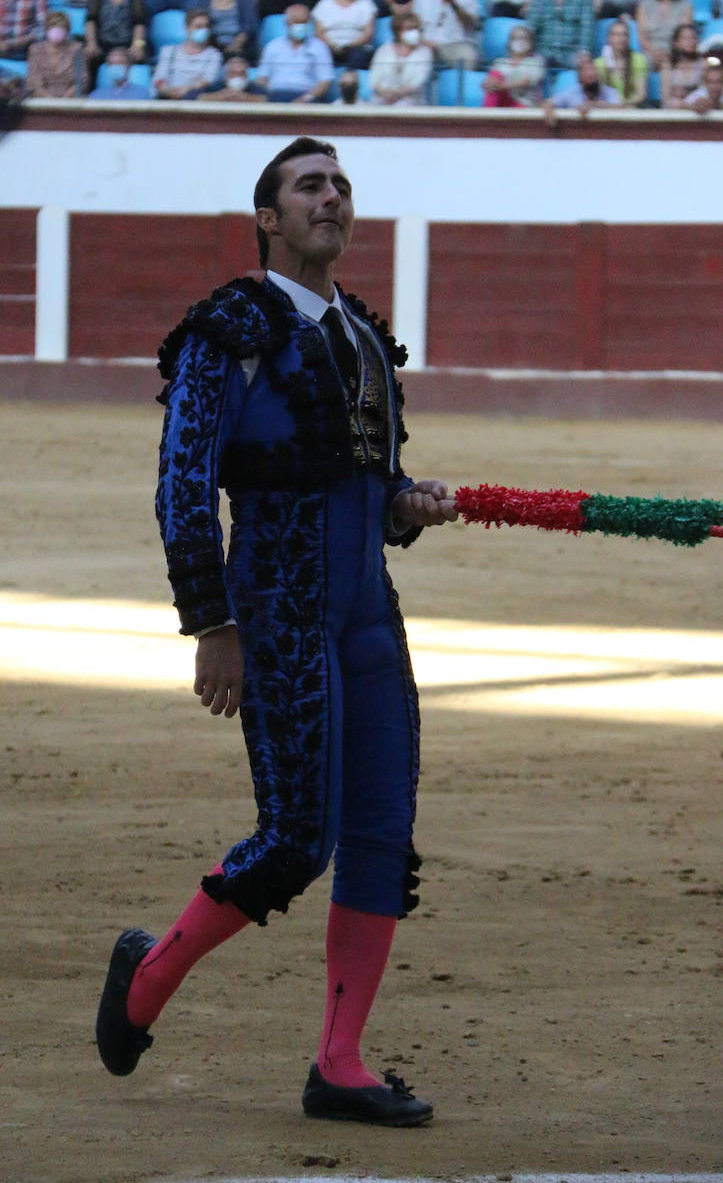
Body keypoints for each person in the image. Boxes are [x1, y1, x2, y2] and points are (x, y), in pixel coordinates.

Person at [96, 136, 455, 1128]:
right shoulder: (230, 331)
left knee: (381, 832)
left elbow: (371, 492)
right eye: (310, 186)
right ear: (268, 218)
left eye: (340, 185)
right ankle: (146, 979)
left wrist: (404, 505)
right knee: (299, 837)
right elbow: (182, 487)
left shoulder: (367, 342)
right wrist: (210, 622)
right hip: (279, 609)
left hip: (368, 615)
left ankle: (339, 1063)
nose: (331, 198)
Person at [85, 0, 148, 74]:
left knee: (139, 56)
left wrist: (138, 45)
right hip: (103, 44)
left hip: (128, 43)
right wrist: (92, 43)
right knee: (87, 57)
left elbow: (140, 21)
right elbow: (90, 19)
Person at [255, 2, 335, 99]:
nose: (300, 26)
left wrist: (306, 98)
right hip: (276, 94)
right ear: (287, 23)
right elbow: (262, 77)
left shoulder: (319, 47)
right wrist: (268, 95)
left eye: (303, 22)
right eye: (296, 22)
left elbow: (325, 80)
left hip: (306, 95)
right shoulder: (272, 46)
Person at [413, 0, 481, 68]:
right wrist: (424, 43)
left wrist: (453, 3)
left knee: (469, 55)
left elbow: (470, 24)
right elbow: (413, 28)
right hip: (428, 45)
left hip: (455, 45)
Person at [313, 0, 378, 68]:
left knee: (358, 55)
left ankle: (350, 79)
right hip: (330, 47)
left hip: (357, 47)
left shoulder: (367, 4)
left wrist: (349, 46)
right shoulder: (324, 4)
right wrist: (333, 46)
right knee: (320, 54)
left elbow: (368, 33)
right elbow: (319, 33)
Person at [368, 8, 433, 103]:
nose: (414, 33)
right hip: (383, 97)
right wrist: (385, 93)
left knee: (403, 105)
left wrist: (397, 94)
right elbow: (374, 79)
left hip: (411, 99)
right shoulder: (384, 50)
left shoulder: (425, 52)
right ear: (398, 31)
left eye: (416, 29)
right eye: (409, 29)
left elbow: (419, 81)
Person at [154, 8, 223, 95]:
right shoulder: (169, 51)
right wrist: (167, 91)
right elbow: (159, 78)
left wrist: (186, 90)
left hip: (196, 100)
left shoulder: (214, 54)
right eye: (198, 27)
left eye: (207, 26)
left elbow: (209, 79)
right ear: (187, 28)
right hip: (167, 97)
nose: (204, 30)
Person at [636, 0, 693, 68]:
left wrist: (670, 54)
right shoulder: (644, 5)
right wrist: (654, 53)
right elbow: (642, 37)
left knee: (675, 63)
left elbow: (685, 35)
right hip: (650, 51)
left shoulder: (686, 6)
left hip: (676, 51)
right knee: (642, 63)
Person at [26, 8, 87, 94]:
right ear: (46, 29)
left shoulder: (77, 49)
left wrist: (63, 101)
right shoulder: (35, 50)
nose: (57, 31)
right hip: (41, 102)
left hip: (70, 102)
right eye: (53, 27)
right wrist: (49, 101)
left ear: (67, 30)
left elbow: (81, 81)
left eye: (61, 28)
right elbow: (34, 82)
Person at [483, 21, 546, 103]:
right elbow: (490, 81)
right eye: (515, 38)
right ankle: (488, 113)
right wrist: (487, 84)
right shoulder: (500, 61)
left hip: (523, 104)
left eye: (524, 38)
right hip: (501, 101)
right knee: (494, 76)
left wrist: (502, 86)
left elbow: (528, 81)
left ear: (530, 42)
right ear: (509, 42)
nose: (520, 42)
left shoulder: (536, 62)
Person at [547, 46, 620, 111]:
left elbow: (621, 108)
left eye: (592, 70)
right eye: (585, 72)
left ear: (598, 75)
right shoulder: (572, 93)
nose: (590, 74)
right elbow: (548, 103)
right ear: (579, 79)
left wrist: (600, 106)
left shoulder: (609, 92)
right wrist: (549, 107)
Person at [595, 16, 647, 103]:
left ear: (629, 38)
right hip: (607, 111)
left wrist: (622, 105)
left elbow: (640, 94)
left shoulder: (639, 60)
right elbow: (600, 95)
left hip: (630, 109)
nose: (621, 39)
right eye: (616, 35)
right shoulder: (598, 63)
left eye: (624, 35)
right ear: (609, 38)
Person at [660, 19, 704, 103]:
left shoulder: (703, 64)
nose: (691, 41)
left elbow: (704, 94)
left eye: (693, 37)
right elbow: (665, 98)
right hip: (674, 109)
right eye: (686, 38)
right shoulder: (668, 65)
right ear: (676, 43)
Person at [197, 52, 267, 97]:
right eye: (233, 73)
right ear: (226, 74)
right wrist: (220, 96)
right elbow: (195, 96)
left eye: (241, 73)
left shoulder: (254, 88)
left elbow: (268, 99)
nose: (237, 77)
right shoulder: (216, 86)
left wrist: (245, 97)